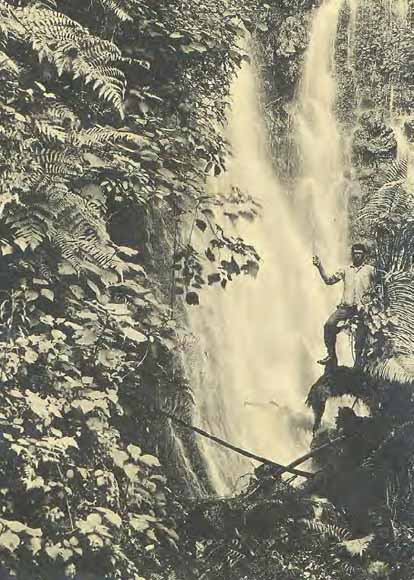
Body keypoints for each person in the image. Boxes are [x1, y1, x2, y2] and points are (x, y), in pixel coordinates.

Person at [313, 243, 376, 367]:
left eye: (360, 253)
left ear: (364, 255)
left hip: (362, 309)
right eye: (355, 253)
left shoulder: (370, 270)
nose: (357, 255)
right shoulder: (345, 270)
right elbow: (329, 281)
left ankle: (358, 365)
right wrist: (319, 266)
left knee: (360, 338)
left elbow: (380, 286)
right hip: (345, 308)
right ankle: (331, 355)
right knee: (329, 325)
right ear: (352, 255)